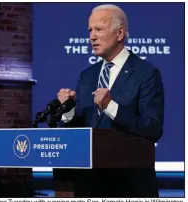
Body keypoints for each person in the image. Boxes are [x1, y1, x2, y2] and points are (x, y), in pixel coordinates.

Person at [55, 4, 164, 197]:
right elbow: (82, 129)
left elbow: (152, 129)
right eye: (90, 30)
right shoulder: (87, 76)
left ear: (120, 33)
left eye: (99, 29)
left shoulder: (146, 74)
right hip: (88, 185)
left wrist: (110, 107)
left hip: (129, 186)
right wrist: (68, 112)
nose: (92, 37)